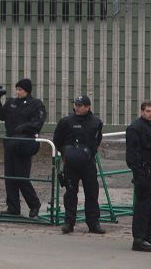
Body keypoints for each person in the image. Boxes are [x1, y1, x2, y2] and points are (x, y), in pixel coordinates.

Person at [0, 78, 46, 218]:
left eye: (20, 89)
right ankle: (13, 207)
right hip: (10, 143)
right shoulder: (12, 103)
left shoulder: (36, 104)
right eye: (17, 89)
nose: (18, 92)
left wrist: (24, 128)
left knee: (21, 176)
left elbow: (38, 122)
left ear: (27, 90)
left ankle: (34, 204)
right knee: (9, 176)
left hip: (24, 144)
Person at [52, 94, 105, 234]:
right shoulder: (66, 122)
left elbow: (97, 139)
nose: (77, 107)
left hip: (88, 163)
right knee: (70, 193)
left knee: (92, 193)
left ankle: (93, 223)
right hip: (71, 163)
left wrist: (88, 152)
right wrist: (66, 153)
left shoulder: (96, 122)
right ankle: (69, 222)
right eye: (76, 104)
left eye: (80, 105)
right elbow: (57, 140)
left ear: (87, 107)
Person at [126, 101, 151, 252]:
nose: (150, 113)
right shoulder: (136, 128)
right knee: (142, 206)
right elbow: (132, 153)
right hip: (144, 172)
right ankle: (138, 239)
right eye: (148, 111)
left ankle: (148, 236)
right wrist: (139, 172)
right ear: (142, 112)